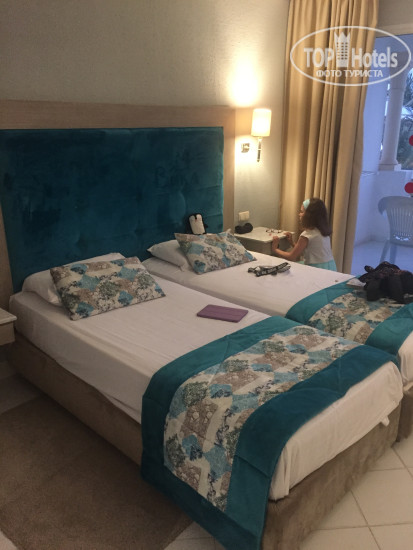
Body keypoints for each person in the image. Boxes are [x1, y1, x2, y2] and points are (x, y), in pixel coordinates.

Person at [271, 198, 337, 271]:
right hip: (330, 266)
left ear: (309, 216)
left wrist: (275, 249)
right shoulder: (322, 231)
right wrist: (292, 242)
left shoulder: (306, 235)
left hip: (316, 269)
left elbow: (291, 257)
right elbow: (309, 251)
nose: (299, 214)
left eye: (302, 212)